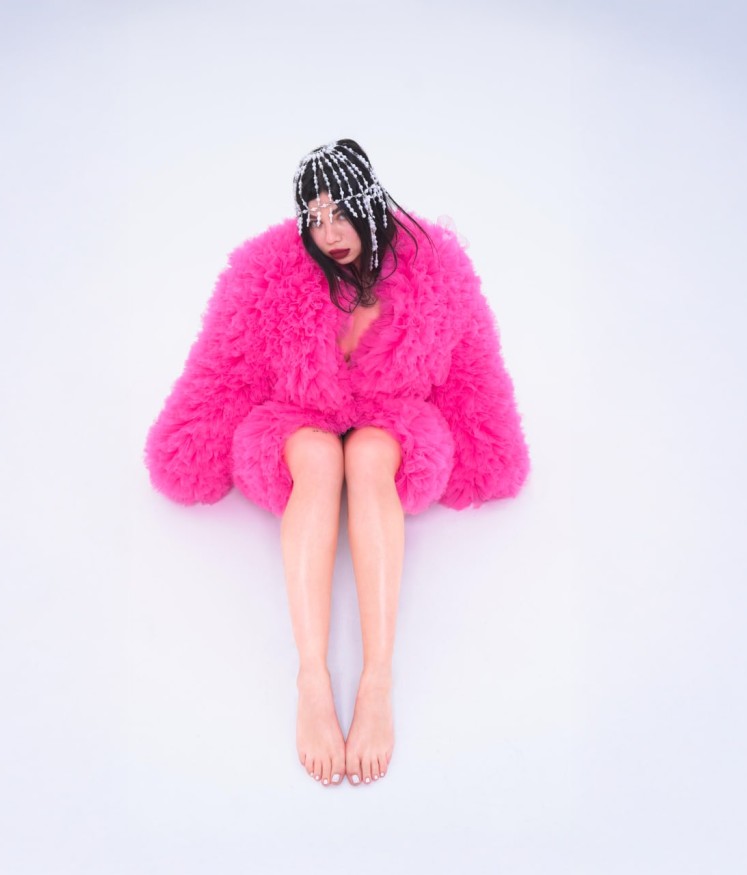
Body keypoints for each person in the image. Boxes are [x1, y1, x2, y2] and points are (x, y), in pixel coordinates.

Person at [145, 138, 530, 789]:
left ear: (369, 203)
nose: (328, 234)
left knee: (371, 454)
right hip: (299, 418)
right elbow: (223, 365)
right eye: (315, 218)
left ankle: (376, 681)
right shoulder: (268, 272)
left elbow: (472, 367)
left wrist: (488, 450)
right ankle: (312, 680)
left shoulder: (435, 271)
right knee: (320, 457)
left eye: (340, 214)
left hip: (389, 418)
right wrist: (190, 448)